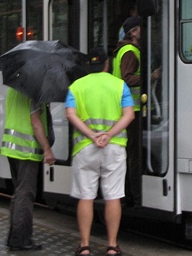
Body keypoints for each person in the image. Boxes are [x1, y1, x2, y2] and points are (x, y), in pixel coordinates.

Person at [66, 47, 134, 256]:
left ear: (89, 66)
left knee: (85, 196)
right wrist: (109, 134)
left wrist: (92, 135)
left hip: (85, 149)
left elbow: (70, 114)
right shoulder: (120, 85)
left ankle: (85, 245)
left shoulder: (76, 87)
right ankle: (112, 246)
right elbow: (129, 115)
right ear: (107, 64)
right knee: (113, 196)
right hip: (113, 148)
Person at [112, 16, 160, 206]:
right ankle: (135, 196)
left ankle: (128, 194)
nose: (146, 30)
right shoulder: (130, 52)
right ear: (133, 32)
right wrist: (151, 76)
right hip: (131, 110)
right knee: (133, 154)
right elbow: (127, 78)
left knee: (129, 153)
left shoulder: (124, 50)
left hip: (128, 109)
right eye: (142, 28)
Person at [1, 87, 56, 251]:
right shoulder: (34, 92)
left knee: (19, 193)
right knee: (25, 194)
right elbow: (36, 122)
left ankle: (14, 237)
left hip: (12, 148)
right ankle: (21, 239)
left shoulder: (13, 88)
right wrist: (47, 149)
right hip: (26, 150)